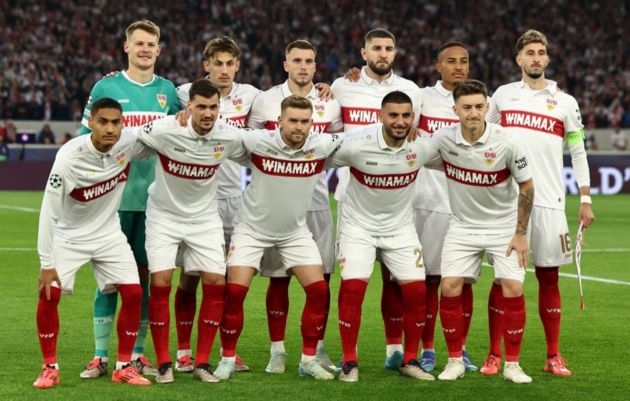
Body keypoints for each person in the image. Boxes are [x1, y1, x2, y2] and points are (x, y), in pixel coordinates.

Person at [487, 30, 595, 376]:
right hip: (507, 203)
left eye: (541, 52)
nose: (536, 57)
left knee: (549, 279)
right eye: (529, 52)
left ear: (547, 59)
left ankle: (553, 356)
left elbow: (578, 151)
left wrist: (586, 197)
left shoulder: (565, 101)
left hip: (549, 201)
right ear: (518, 59)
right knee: (503, 281)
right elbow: (483, 138)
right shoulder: (502, 96)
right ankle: (494, 355)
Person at [79, 19, 180, 379]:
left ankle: (135, 354)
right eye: (138, 43)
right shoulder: (106, 85)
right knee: (108, 280)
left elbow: (190, 121)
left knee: (144, 281)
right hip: (113, 202)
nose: (145, 49)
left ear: (159, 49)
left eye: (151, 44)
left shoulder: (169, 92)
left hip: (155, 205)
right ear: (126, 47)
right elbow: (84, 137)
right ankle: (99, 354)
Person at [215, 95, 342, 381]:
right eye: (293, 121)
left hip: (294, 232)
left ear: (312, 123)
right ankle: (226, 359)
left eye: (305, 122)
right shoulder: (259, 141)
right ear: (280, 121)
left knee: (319, 291)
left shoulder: (320, 145)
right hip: (251, 230)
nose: (299, 127)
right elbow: (221, 130)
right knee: (235, 292)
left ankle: (308, 360)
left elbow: (357, 141)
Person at [34, 98, 153, 389]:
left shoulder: (127, 144)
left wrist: (184, 116)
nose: (110, 128)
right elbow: (48, 212)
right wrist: (46, 263)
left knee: (135, 293)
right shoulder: (69, 157)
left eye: (116, 122)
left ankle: (123, 366)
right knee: (49, 294)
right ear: (90, 123)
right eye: (103, 122)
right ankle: (49, 367)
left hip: (109, 234)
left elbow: (158, 131)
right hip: (70, 236)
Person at [139, 79, 249, 384]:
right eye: (201, 106)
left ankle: (201, 363)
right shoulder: (165, 129)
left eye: (213, 107)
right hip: (163, 216)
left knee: (215, 281)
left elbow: (259, 148)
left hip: (204, 219)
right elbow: (129, 139)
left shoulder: (228, 135)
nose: (207, 113)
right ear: (189, 106)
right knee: (160, 281)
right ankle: (164, 363)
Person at [330, 91, 440, 382]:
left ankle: (410, 359)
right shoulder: (356, 145)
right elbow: (316, 154)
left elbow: (459, 152)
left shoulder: (423, 147)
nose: (400, 122)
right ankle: (349, 362)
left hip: (401, 229)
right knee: (353, 289)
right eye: (393, 115)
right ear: (381, 116)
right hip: (357, 228)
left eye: (406, 116)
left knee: (417, 291)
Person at [247, 39, 342, 374]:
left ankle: (316, 348)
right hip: (275, 207)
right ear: (285, 63)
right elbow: (251, 145)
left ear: (316, 67)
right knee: (278, 278)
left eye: (310, 61)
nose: (303, 66)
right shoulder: (264, 101)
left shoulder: (331, 103)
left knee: (323, 279)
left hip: (316, 203)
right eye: (297, 60)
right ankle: (277, 351)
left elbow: (339, 145)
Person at [331, 28, 423, 370]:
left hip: (396, 196)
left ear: (395, 53)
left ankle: (394, 351)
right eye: (376, 48)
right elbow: (328, 121)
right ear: (364, 52)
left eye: (388, 48)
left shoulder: (411, 91)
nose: (382, 53)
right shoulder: (343, 85)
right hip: (354, 191)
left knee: (396, 281)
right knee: (354, 282)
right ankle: (348, 359)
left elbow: (419, 133)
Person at [432, 80, 534, 384]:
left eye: (479, 106)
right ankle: (454, 360)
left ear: (487, 107)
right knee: (449, 285)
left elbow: (527, 186)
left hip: (504, 227)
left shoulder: (507, 141)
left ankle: (512, 364)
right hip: (462, 226)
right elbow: (415, 151)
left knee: (513, 288)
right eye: (467, 107)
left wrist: (520, 233)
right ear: (456, 110)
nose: (473, 112)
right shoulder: (443, 140)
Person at [174, 35, 260, 373]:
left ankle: (227, 352)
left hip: (235, 202)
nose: (224, 70)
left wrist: (328, 86)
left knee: (225, 281)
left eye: (230, 64)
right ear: (205, 66)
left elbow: (293, 93)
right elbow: (157, 93)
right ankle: (183, 351)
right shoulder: (184, 92)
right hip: (196, 202)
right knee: (189, 278)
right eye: (217, 64)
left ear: (237, 65)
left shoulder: (251, 95)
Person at [414, 41, 477, 372]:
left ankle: (460, 347)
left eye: (464, 61)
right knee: (430, 280)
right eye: (451, 61)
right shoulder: (421, 97)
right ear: (438, 66)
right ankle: (427, 349)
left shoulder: (483, 103)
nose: (458, 66)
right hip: (427, 201)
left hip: (466, 205)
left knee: (464, 281)